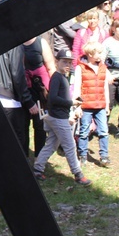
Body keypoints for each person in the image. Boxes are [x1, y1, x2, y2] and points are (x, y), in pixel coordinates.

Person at [32, 49, 92, 183]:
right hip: (58, 117)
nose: (67, 65)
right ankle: (78, 174)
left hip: (57, 116)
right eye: (64, 61)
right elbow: (52, 99)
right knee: (70, 146)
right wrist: (71, 103)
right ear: (56, 62)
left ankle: (37, 169)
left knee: (51, 144)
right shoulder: (57, 77)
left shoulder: (62, 77)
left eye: (70, 62)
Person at [74, 42, 112, 167]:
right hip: (86, 106)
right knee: (84, 131)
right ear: (90, 54)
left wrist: (107, 104)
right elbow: (77, 87)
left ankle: (104, 156)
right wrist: (77, 106)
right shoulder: (81, 68)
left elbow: (105, 87)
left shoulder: (103, 67)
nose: (101, 55)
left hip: (100, 105)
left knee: (104, 131)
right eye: (98, 53)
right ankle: (83, 154)